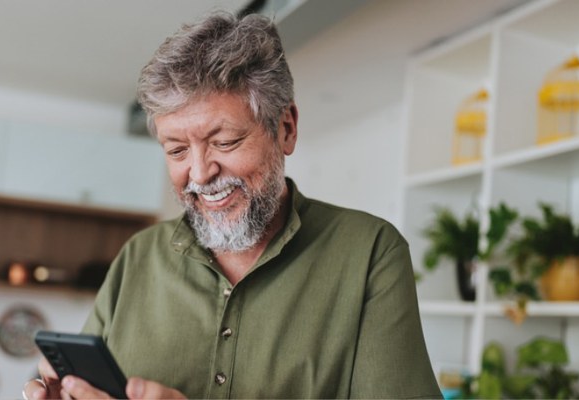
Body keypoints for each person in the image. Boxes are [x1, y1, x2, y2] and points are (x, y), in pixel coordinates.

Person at [23, 10, 442, 400]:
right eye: (176, 151)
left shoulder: (370, 253)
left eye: (224, 142)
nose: (201, 173)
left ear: (286, 129)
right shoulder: (138, 256)